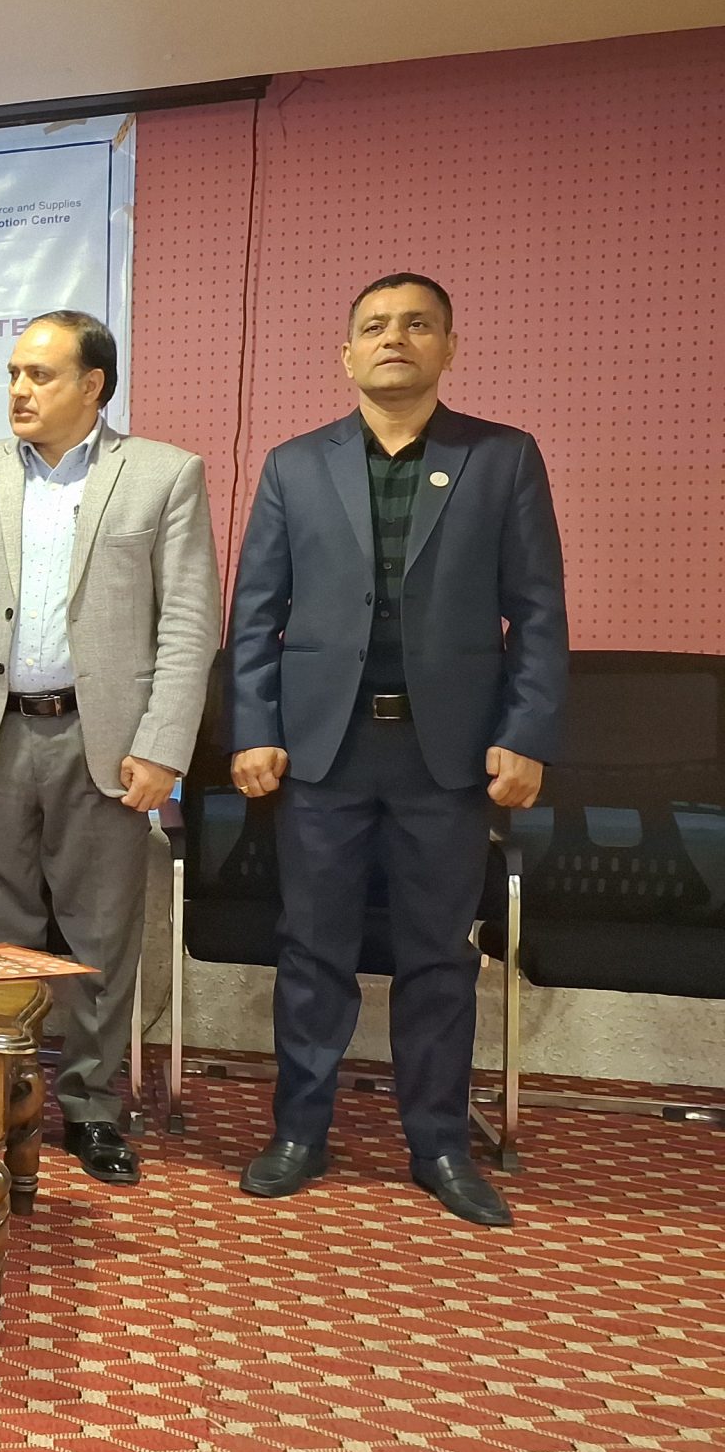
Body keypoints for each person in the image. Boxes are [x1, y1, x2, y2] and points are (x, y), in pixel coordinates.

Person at [227, 273, 566, 1226]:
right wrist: (254, 728)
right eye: (374, 326)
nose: (394, 339)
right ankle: (299, 1132)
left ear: (449, 347)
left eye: (417, 325)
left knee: (438, 957)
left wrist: (525, 733)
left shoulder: (501, 458)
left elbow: (538, 611)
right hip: (322, 753)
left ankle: (441, 1144)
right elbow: (254, 616)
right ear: (345, 354)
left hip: (445, 755)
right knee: (311, 949)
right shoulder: (295, 465)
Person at [0, 312, 218, 1186]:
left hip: (106, 741)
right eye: (13, 373)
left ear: (94, 385)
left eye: (39, 375)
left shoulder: (163, 475)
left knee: (99, 934)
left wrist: (163, 746)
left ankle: (90, 1106)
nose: (19, 389)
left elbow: (189, 625)